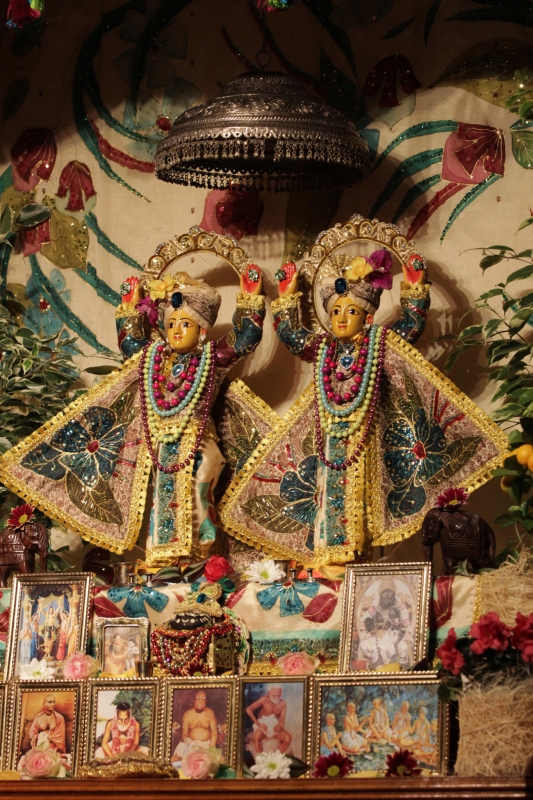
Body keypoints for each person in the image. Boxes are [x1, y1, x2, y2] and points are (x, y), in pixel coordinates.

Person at [0, 253, 266, 568]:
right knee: (162, 498)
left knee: (199, 488)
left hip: (197, 441)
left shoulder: (210, 358)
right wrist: (129, 307)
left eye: (185, 324)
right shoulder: (154, 359)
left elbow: (244, 340)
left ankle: (200, 556)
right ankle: (164, 557)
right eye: (171, 324)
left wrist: (250, 300)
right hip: (162, 445)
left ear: (203, 331)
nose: (176, 331)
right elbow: (131, 347)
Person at [171, 690, 218, 764]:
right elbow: (184, 735)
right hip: (190, 744)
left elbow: (214, 732)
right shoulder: (187, 714)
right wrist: (190, 743)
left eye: (203, 699)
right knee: (179, 756)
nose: (200, 701)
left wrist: (212, 747)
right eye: (198, 698)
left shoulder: (210, 713)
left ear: (206, 701)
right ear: (194, 700)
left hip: (206, 745)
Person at [245, 686, 292, 755]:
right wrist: (258, 724)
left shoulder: (283, 703)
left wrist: (280, 726)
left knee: (288, 738)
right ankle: (261, 758)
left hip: (274, 726)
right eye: (274, 695)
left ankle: (276, 757)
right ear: (269, 693)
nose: (276, 698)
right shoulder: (264, 699)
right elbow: (248, 709)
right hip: (262, 725)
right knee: (257, 737)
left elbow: (282, 721)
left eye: (278, 695)